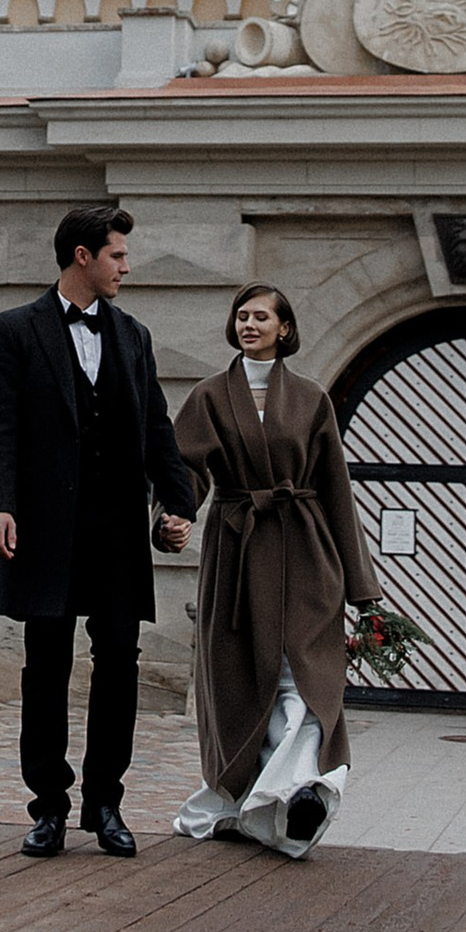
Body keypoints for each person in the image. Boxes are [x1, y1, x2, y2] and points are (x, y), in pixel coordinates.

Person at [0, 200, 196, 858]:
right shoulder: (14, 329)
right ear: (83, 256)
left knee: (119, 666)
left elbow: (157, 427)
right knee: (45, 666)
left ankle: (106, 804)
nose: (126, 266)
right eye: (118, 255)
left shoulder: (132, 336)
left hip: (117, 532)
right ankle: (47, 805)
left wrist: (178, 504)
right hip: (44, 529)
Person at [169, 282, 374, 858]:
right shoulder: (210, 397)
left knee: (307, 681)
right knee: (243, 682)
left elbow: (336, 489)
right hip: (238, 554)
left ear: (285, 328)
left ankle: (289, 791)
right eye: (242, 316)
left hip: (307, 552)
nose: (249, 324)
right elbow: (185, 472)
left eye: (262, 316)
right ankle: (281, 798)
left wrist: (361, 586)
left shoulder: (311, 399)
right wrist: (175, 516)